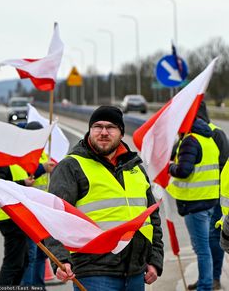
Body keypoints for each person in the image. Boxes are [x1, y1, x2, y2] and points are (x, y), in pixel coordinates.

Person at [45, 105, 164, 291]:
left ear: (121, 133)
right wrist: (60, 259)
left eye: (110, 127)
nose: (103, 132)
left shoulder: (136, 168)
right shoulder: (71, 167)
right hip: (94, 273)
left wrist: (155, 260)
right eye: (97, 126)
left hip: (135, 274)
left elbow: (153, 219)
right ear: (90, 130)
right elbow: (54, 217)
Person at [0, 121, 55, 286]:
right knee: (14, 262)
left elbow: (26, 171)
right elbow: (0, 185)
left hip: (18, 214)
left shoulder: (10, 156)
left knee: (23, 261)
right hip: (8, 214)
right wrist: (23, 183)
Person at [167, 117, 220, 291]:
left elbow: (183, 170)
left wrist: (170, 167)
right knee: (204, 247)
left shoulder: (190, 140)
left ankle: (205, 286)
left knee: (201, 248)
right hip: (208, 199)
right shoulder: (208, 138)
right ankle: (205, 281)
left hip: (195, 203)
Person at [186, 101, 229, 290]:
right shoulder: (188, 135)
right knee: (202, 242)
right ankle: (207, 277)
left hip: (215, 197)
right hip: (199, 197)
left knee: (213, 238)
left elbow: (223, 166)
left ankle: (214, 278)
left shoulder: (216, 133)